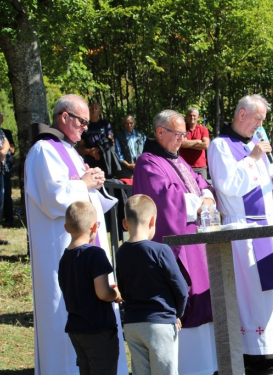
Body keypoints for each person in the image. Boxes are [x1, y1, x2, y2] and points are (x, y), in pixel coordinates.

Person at [24, 94, 128, 375]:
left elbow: (84, 196)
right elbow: (53, 198)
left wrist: (94, 182)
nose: (86, 126)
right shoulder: (44, 151)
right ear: (64, 117)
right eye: (82, 120)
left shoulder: (69, 150)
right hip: (60, 247)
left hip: (84, 246)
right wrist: (83, 183)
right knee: (61, 308)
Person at [207, 94, 273, 374]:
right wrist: (253, 157)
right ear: (242, 114)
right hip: (243, 229)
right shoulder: (220, 145)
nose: (260, 125)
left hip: (267, 226)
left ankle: (272, 351)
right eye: (257, 119)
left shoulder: (254, 145)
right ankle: (252, 356)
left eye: (262, 121)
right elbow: (229, 185)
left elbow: (261, 183)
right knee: (252, 295)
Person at [133, 109, 218, 375]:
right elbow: (165, 200)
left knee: (204, 301)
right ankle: (188, 368)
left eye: (184, 134)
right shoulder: (149, 163)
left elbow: (201, 182)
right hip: (176, 248)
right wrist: (199, 203)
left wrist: (207, 197)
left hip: (196, 244)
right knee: (186, 298)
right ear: (160, 132)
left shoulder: (179, 161)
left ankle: (208, 365)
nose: (182, 139)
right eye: (177, 134)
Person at [116, 194, 189, 375]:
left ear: (125, 223)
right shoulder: (161, 250)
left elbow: (123, 288)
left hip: (133, 325)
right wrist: (176, 314)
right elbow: (180, 289)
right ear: (152, 220)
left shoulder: (121, 252)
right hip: (160, 323)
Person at [58, 201, 122, 375]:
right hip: (98, 329)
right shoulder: (95, 254)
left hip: (76, 329)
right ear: (95, 227)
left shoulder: (65, 258)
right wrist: (114, 293)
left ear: (66, 227)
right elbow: (102, 293)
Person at [77, 102, 120, 178]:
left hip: (105, 159)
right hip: (90, 160)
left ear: (99, 111)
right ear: (88, 111)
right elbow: (80, 147)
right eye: (92, 108)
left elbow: (111, 141)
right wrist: (90, 152)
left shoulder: (106, 124)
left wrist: (98, 149)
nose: (94, 110)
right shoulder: (84, 126)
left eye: (96, 108)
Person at [179, 107, 210, 179]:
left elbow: (205, 145)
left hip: (200, 167)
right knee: (186, 189)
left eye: (194, 116)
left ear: (198, 117)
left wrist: (188, 144)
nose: (192, 117)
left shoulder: (203, 129)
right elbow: (181, 143)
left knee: (203, 189)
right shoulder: (182, 129)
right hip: (184, 165)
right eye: (190, 115)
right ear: (186, 117)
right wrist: (197, 141)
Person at [114, 115, 147, 179]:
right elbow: (118, 155)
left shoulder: (141, 136)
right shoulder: (119, 137)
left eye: (131, 123)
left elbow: (147, 151)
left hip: (141, 164)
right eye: (126, 123)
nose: (129, 125)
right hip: (126, 166)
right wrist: (129, 165)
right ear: (124, 124)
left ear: (134, 123)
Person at [0, 112, 15, 227]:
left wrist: (3, 151)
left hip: (5, 168)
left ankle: (8, 218)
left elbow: (10, 147)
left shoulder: (4, 132)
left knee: (5, 195)